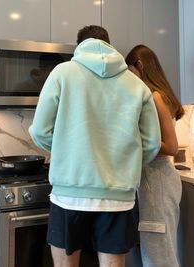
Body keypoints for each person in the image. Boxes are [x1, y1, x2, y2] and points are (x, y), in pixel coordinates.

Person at [29, 25, 161, 267]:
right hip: (118, 196)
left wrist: (67, 149)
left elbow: (40, 131)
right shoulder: (136, 84)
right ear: (110, 45)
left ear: (79, 45)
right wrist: (123, 161)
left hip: (69, 195)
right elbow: (152, 144)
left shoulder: (62, 73)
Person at [125, 44, 185, 267]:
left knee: (159, 256)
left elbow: (171, 146)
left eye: (131, 72)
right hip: (153, 180)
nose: (130, 78)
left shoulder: (157, 97)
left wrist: (135, 142)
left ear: (140, 65)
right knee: (154, 252)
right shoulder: (155, 96)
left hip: (159, 181)